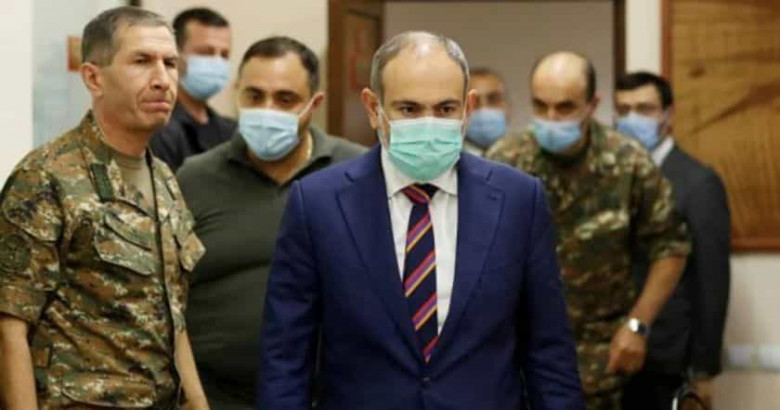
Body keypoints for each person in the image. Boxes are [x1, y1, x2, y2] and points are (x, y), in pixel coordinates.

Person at [258, 31, 584, 410]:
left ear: (467, 108)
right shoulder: (317, 203)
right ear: (373, 108)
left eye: (445, 109)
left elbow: (549, 352)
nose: (429, 125)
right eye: (409, 110)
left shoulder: (519, 200)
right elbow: (285, 356)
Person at [0, 7, 208, 409]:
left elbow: (174, 315)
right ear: (94, 78)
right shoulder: (46, 177)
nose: (162, 80)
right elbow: (10, 327)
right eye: (142, 61)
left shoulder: (164, 178)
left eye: (170, 64)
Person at [487, 51, 690, 409]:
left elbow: (671, 247)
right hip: (517, 357)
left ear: (592, 105)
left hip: (602, 360)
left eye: (565, 107)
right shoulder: (505, 161)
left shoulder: (628, 162)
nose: (551, 118)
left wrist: (638, 325)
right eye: (541, 105)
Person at [177, 36, 365, 409]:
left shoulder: (356, 172)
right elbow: (168, 298)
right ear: (236, 94)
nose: (267, 110)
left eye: (285, 99)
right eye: (254, 96)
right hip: (216, 398)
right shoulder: (194, 178)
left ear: (314, 104)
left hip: (332, 396)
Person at [614, 71, 730, 410]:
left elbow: (712, 280)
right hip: (612, 353)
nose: (632, 119)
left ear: (669, 114)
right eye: (623, 110)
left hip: (668, 357)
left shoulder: (698, 182)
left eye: (644, 109)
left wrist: (704, 369)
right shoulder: (611, 175)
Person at [149, 7, 235, 172]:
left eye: (224, 55)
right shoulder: (159, 127)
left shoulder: (230, 131)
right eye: (206, 52)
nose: (217, 63)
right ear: (174, 55)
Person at [464, 67, 511, 156]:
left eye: (494, 99)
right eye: (473, 102)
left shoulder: (526, 159)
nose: (483, 109)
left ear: (508, 106)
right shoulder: (447, 161)